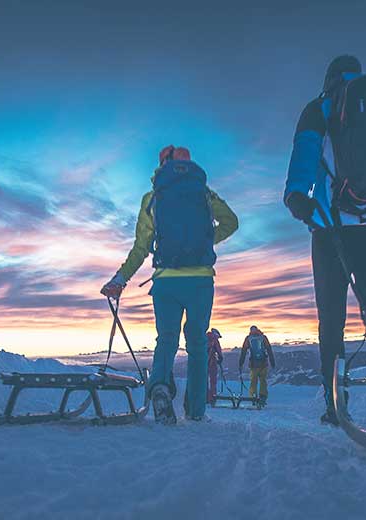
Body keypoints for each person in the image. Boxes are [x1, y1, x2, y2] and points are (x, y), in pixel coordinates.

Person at [283, 55, 366, 425]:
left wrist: (299, 198)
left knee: (332, 320)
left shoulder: (320, 108)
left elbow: (305, 157)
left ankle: (334, 403)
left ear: (329, 78)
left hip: (331, 228)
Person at [101, 145, 238, 424]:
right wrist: (204, 241)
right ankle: (196, 410)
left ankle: (161, 387)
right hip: (200, 279)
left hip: (166, 281)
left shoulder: (153, 198)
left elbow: (140, 247)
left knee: (166, 340)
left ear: (161, 167)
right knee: (198, 343)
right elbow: (231, 223)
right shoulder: (204, 194)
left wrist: (120, 279)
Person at [238, 325, 275, 405]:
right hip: (263, 363)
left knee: (253, 381)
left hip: (253, 364)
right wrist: (272, 362)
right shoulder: (263, 337)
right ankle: (263, 397)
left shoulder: (248, 339)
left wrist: (241, 363)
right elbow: (269, 349)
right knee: (263, 381)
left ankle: (253, 397)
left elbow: (243, 351)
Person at [206, 328, 224, 404]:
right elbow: (219, 352)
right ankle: (212, 398)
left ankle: (205, 397)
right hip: (212, 362)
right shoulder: (214, 341)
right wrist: (220, 359)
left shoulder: (204, 338)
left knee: (204, 381)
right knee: (213, 381)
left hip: (203, 363)